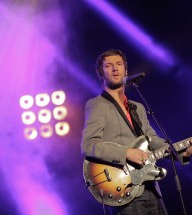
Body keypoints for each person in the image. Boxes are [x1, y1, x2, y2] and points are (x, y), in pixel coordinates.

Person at [81, 49, 192, 215]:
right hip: (122, 187)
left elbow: (152, 140)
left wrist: (183, 152)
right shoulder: (97, 105)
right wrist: (126, 153)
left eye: (119, 64)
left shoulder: (137, 107)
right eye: (108, 65)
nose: (115, 68)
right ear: (100, 73)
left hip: (150, 188)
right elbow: (88, 145)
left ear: (125, 70)